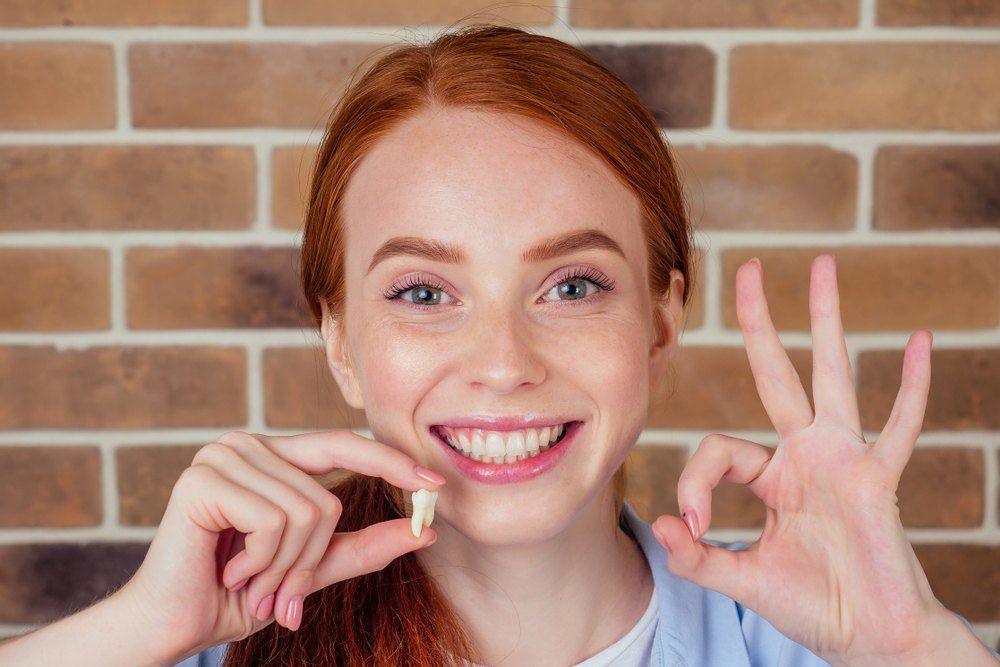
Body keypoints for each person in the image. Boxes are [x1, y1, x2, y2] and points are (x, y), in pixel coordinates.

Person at [2, 23, 998, 667]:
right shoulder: (217, 645)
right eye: (425, 291)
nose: (503, 361)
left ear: (658, 319)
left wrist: (918, 648)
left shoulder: (820, 646)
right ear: (339, 340)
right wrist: (141, 629)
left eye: (570, 284)